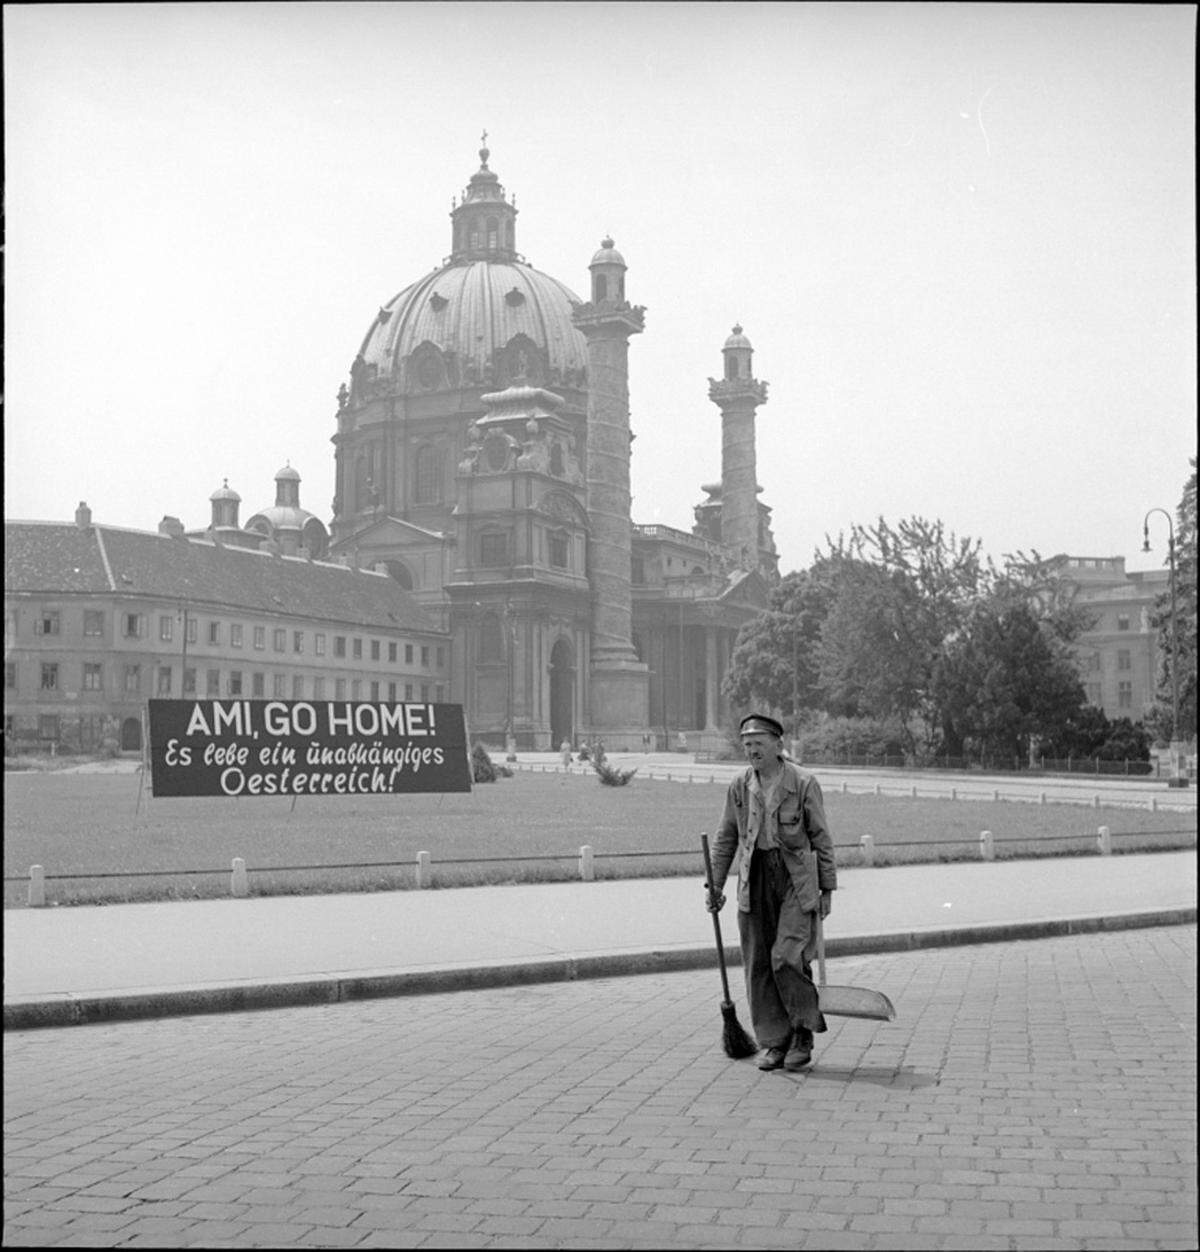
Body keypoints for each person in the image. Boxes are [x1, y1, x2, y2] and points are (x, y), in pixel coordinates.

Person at [706, 713, 837, 1071]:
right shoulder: (739, 785)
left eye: (758, 744)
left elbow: (821, 838)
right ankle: (774, 1042)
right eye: (747, 745)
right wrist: (715, 885)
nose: (752, 751)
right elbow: (726, 837)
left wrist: (827, 888)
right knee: (759, 961)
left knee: (787, 956)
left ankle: (802, 1031)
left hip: (795, 878)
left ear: (778, 746)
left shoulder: (803, 783)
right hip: (755, 875)